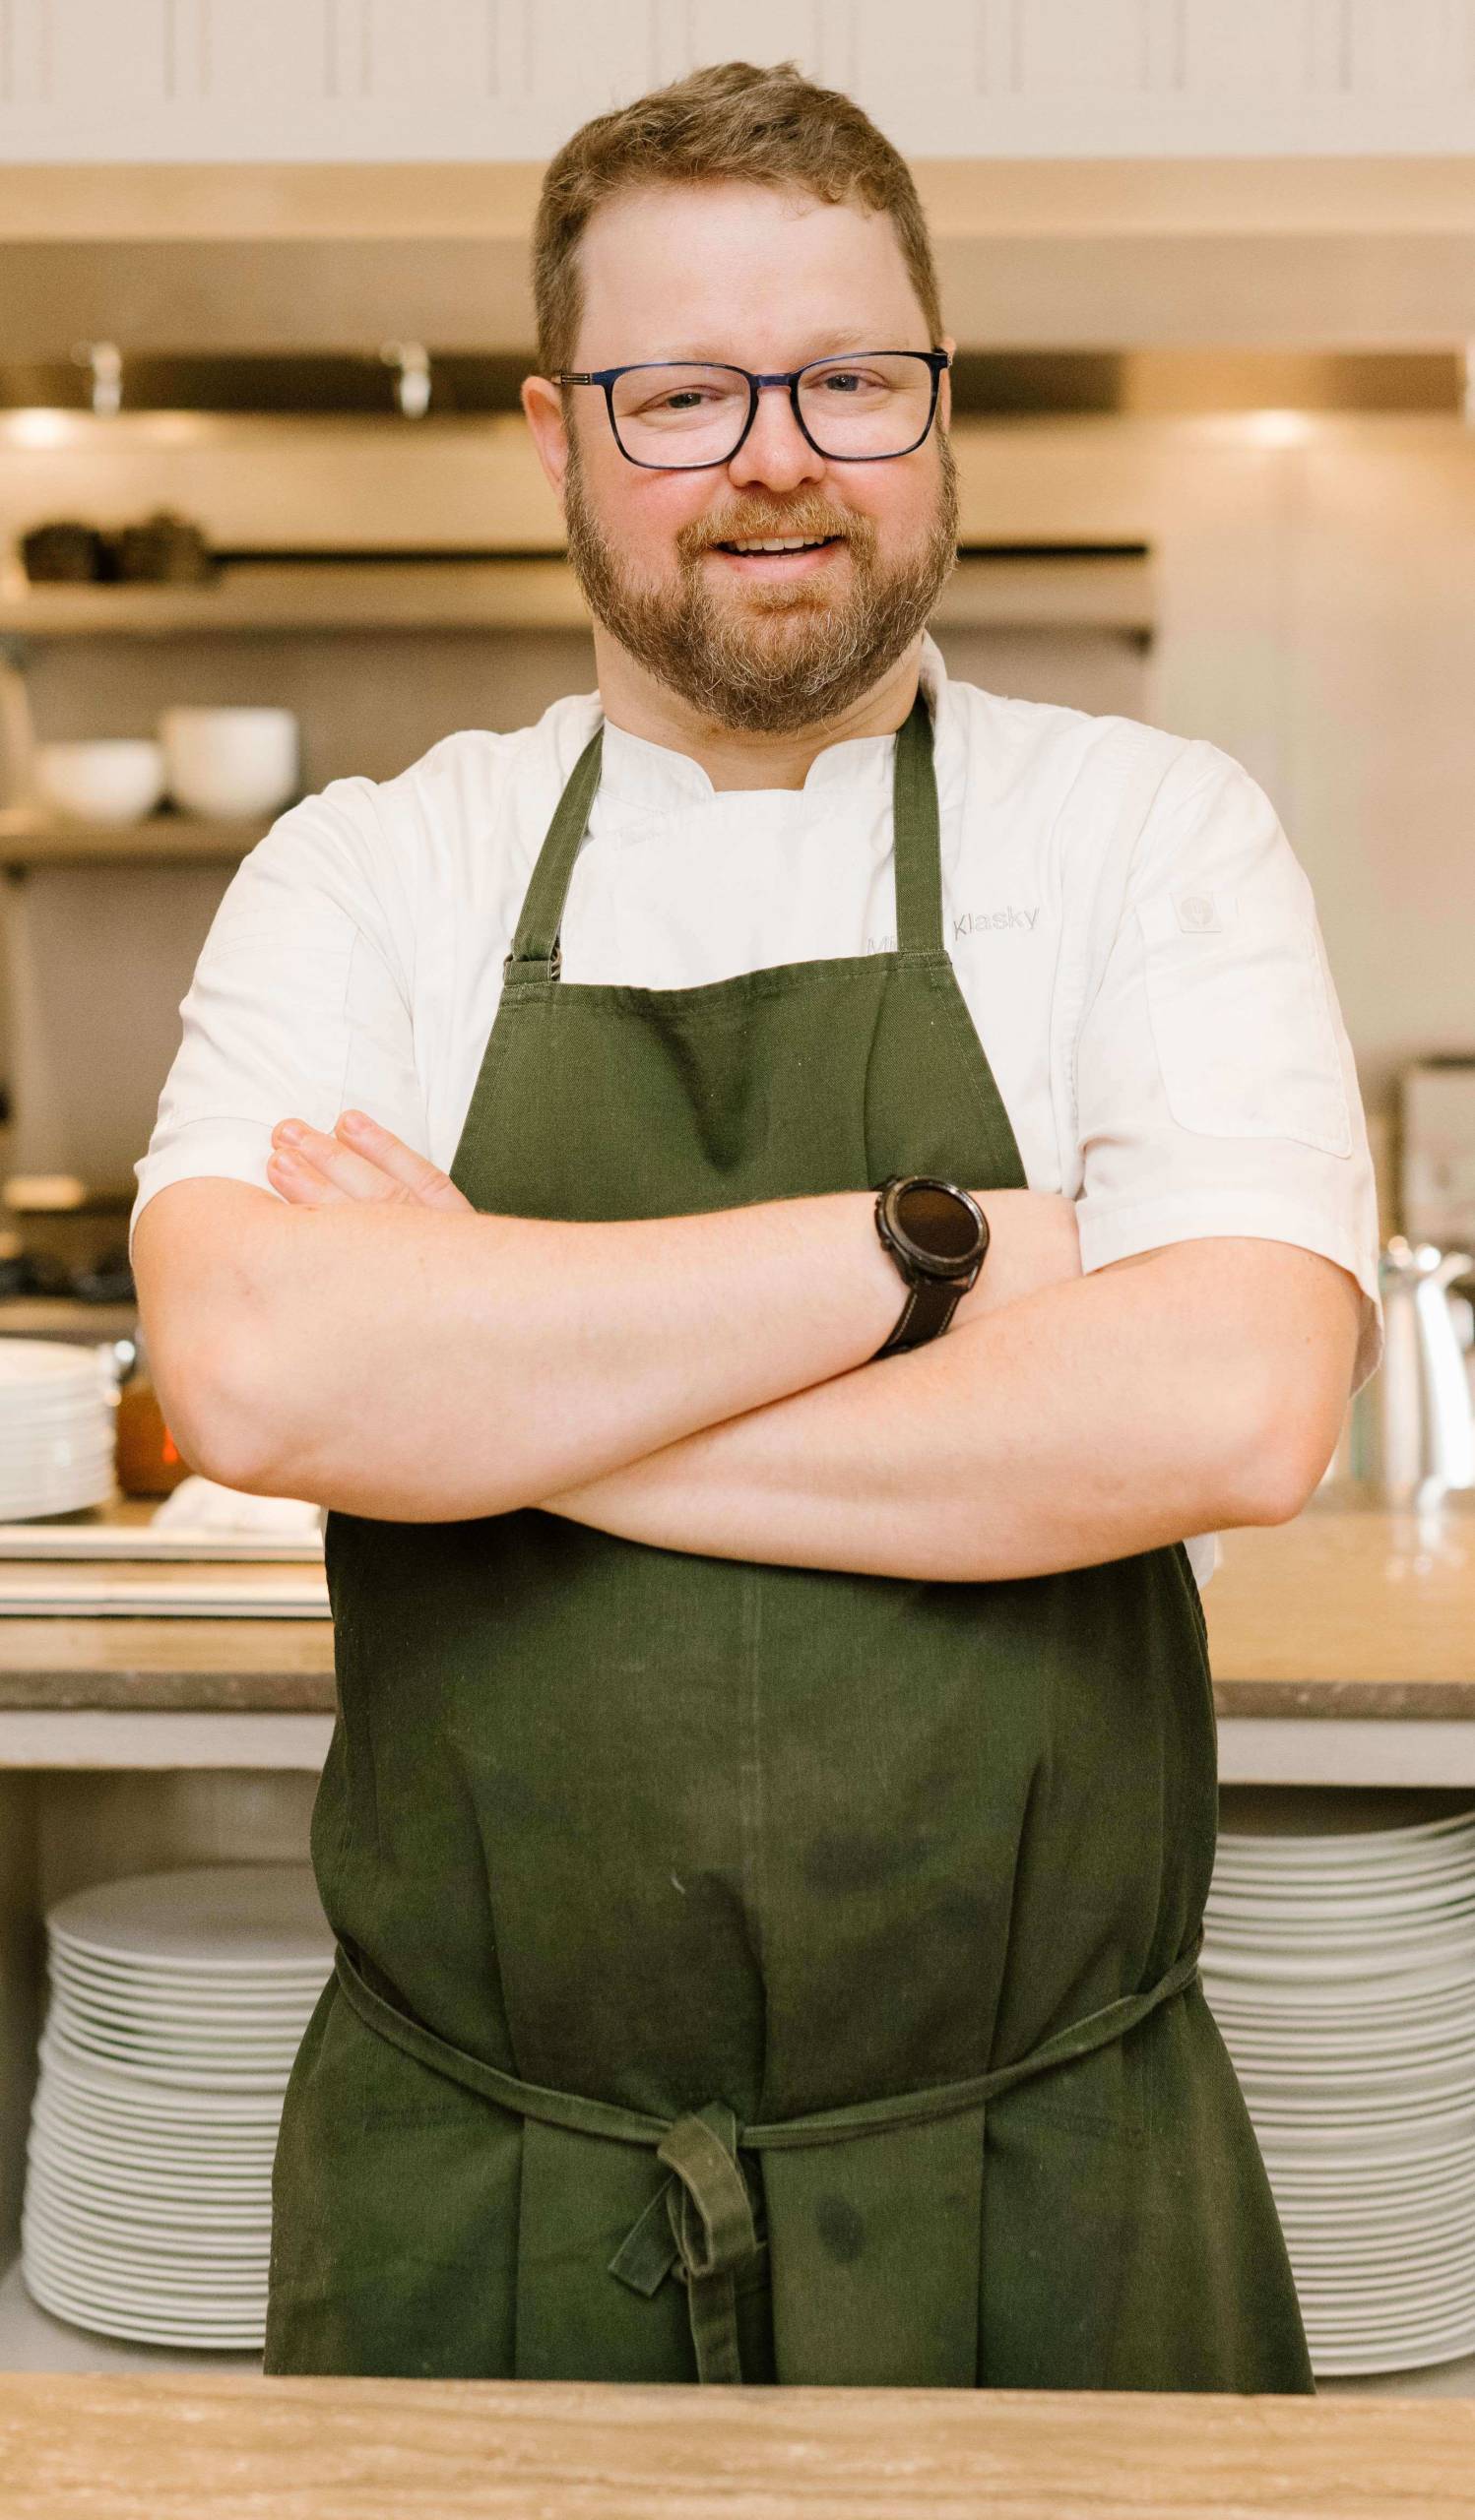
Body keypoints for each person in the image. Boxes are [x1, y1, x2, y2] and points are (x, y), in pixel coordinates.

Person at [131, 60, 1381, 2390]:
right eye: (682, 390)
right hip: (478, 2205)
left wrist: (501, 1394)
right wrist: (933, 1256)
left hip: (1047, 2197)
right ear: (552, 435)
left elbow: (1225, 1400)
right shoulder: (375, 868)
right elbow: (258, 1373)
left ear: (938, 411)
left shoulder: (1145, 834)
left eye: (847, 378)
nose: (774, 453)